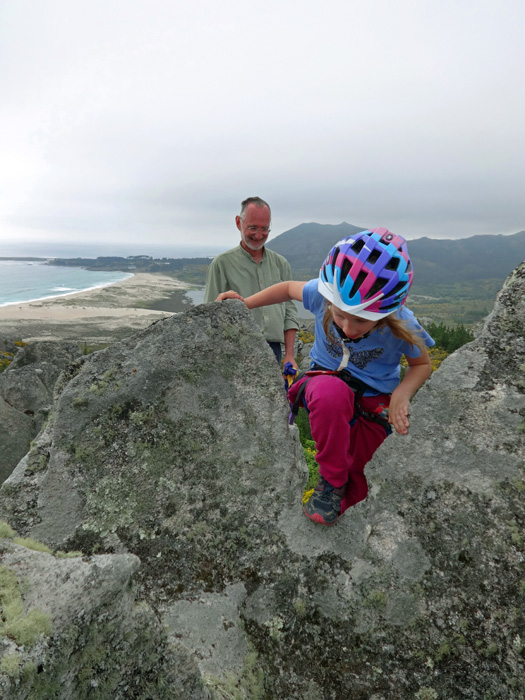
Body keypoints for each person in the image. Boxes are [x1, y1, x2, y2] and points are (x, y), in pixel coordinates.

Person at [217, 228, 434, 526]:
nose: (347, 327)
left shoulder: (401, 323)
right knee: (330, 395)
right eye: (340, 314)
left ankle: (346, 505)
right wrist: (245, 303)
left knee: (362, 469)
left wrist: (402, 394)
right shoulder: (322, 294)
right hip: (323, 382)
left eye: (360, 320)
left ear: (387, 311)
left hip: (373, 398)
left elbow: (421, 364)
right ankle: (330, 482)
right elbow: (285, 288)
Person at [204, 196, 299, 366]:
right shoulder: (221, 264)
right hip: (236, 351)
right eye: (253, 227)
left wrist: (289, 356)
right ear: (238, 223)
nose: (258, 235)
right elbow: (209, 315)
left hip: (274, 351)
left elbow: (290, 313)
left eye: (265, 229)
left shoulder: (281, 264)